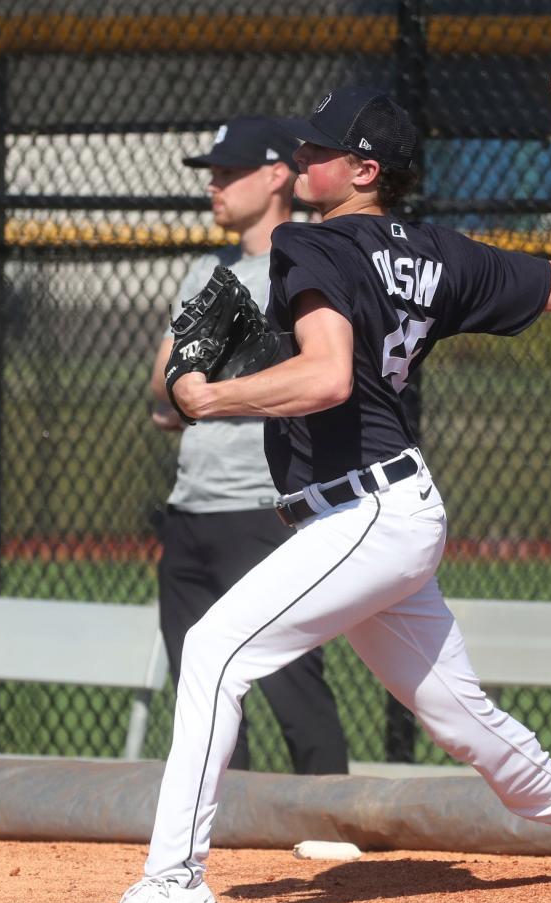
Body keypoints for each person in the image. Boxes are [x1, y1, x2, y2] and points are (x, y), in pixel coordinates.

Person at [82, 58, 551, 903]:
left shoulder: (311, 244)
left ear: (365, 169)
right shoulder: (436, 253)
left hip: (363, 512)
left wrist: (206, 398)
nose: (303, 157)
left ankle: (173, 885)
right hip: (390, 510)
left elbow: (328, 376)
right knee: (467, 725)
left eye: (322, 149)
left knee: (216, 649)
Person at [148, 116, 348, 775]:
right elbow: (165, 379)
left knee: (294, 687)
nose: (215, 184)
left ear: (275, 176)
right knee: (202, 693)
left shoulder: (309, 258)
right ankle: (222, 838)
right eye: (212, 173)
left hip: (268, 512)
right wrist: (203, 379)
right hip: (191, 510)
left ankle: (331, 823)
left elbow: (310, 371)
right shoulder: (208, 267)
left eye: (230, 172)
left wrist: (210, 376)